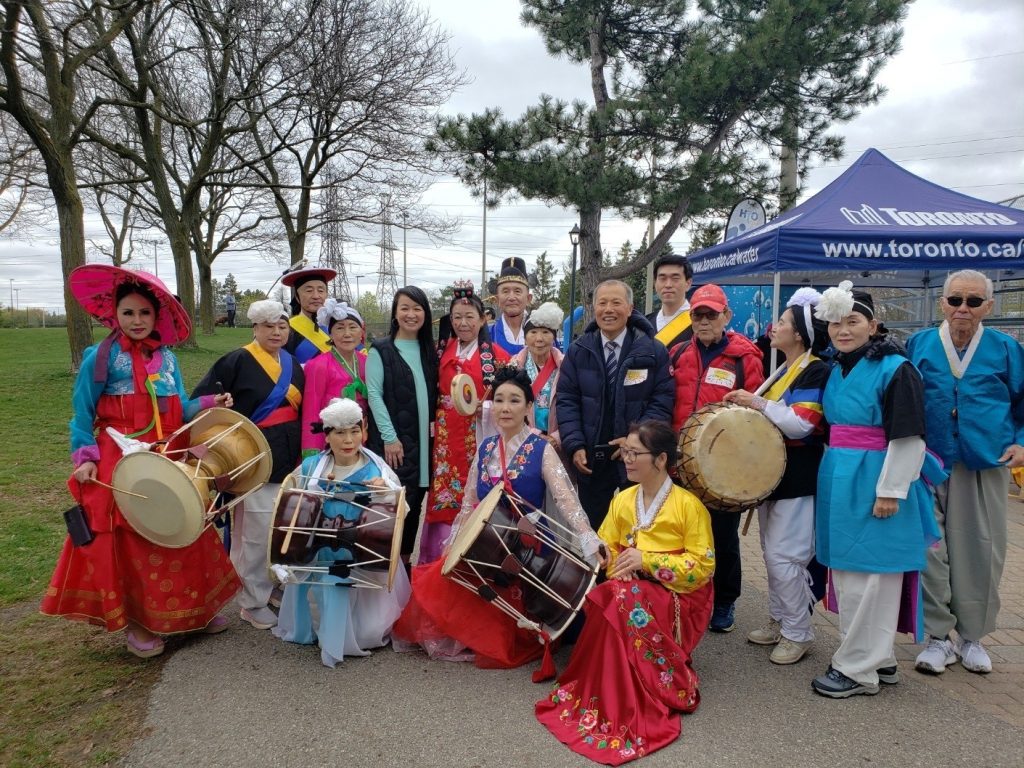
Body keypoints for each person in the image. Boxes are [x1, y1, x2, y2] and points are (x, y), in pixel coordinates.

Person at [41, 266, 238, 658]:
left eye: (144, 313)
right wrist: (85, 457)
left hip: (166, 454)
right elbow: (82, 413)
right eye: (128, 312)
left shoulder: (167, 360)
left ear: (156, 316)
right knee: (132, 539)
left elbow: (179, 409)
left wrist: (210, 402)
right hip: (120, 459)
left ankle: (193, 610)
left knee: (183, 525)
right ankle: (139, 624)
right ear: (115, 314)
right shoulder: (100, 358)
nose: (136, 320)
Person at [392, 367, 602, 668]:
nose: (505, 407)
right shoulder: (486, 447)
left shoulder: (541, 448)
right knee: (442, 574)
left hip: (530, 545)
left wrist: (587, 536)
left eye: (514, 400)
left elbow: (565, 498)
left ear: (528, 407)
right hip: (490, 543)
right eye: (499, 400)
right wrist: (455, 541)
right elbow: (469, 502)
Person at [535, 420, 714, 765]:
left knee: (617, 598)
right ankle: (612, 688)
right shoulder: (624, 499)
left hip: (676, 593)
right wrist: (616, 561)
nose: (627, 460)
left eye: (634, 453)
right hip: (632, 589)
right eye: (625, 452)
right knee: (616, 594)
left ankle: (630, 689)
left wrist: (647, 561)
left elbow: (703, 566)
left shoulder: (688, 506)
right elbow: (608, 545)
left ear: (661, 459)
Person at [810, 281, 943, 698]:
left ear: (873, 325)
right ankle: (878, 657)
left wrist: (892, 490)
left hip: (877, 479)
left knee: (873, 575)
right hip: (841, 476)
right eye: (836, 323)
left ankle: (857, 669)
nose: (842, 330)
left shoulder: (896, 369)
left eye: (852, 321)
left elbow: (909, 434)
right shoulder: (839, 367)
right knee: (850, 572)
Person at [907, 269, 1024, 675]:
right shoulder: (920, 343)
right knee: (929, 548)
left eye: (973, 301)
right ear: (942, 302)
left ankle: (972, 637)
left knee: (980, 549)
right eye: (955, 300)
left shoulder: (1005, 348)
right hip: (928, 461)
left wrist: (1022, 442)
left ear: (988, 306)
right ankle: (938, 637)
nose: (963, 308)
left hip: (984, 460)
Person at [723, 289, 829, 664]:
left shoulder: (815, 369)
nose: (774, 327)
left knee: (787, 556)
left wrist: (755, 402)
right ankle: (781, 620)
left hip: (799, 476)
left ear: (799, 333)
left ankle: (798, 632)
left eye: (782, 322)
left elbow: (802, 423)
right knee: (772, 555)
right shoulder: (785, 369)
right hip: (775, 477)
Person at [271, 398, 412, 667]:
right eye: (339, 433)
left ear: (364, 431)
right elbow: (288, 505)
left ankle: (345, 630)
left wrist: (384, 493)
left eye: (354, 431)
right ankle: (322, 626)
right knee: (317, 610)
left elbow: (400, 511)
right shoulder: (312, 468)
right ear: (327, 436)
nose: (348, 440)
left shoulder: (377, 468)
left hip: (361, 553)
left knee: (369, 632)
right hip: (318, 551)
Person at [192, 299, 304, 630]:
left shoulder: (293, 364)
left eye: (282, 326)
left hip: (290, 456)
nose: (276, 332)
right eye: (268, 326)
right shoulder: (236, 360)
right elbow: (205, 404)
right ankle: (251, 600)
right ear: (254, 328)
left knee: (284, 528)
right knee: (254, 533)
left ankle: (273, 585)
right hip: (252, 459)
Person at [669, 283, 765, 633]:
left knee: (722, 535)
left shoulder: (745, 356)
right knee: (682, 530)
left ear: (727, 315)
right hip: (681, 461)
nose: (704, 321)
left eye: (711, 314)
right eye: (698, 315)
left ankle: (724, 600)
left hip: (723, 466)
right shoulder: (678, 353)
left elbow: (756, 417)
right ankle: (687, 595)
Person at [557, 280, 675, 527]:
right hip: (591, 459)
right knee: (593, 531)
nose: (608, 309)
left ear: (630, 308)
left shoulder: (652, 351)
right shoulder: (579, 351)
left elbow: (662, 400)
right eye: (602, 303)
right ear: (594, 308)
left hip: (636, 457)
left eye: (616, 303)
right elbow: (567, 400)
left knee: (636, 528)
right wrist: (575, 444)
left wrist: (636, 440)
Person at [423, 282, 508, 563]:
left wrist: (485, 408)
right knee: (444, 490)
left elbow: (508, 399)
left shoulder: (498, 357)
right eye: (457, 317)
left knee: (477, 486)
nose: (463, 323)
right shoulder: (439, 352)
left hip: (479, 431)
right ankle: (438, 557)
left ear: (483, 319)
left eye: (470, 317)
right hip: (446, 435)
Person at [365, 286, 438, 560]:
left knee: (414, 506)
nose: (411, 314)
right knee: (392, 508)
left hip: (424, 446)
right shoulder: (381, 350)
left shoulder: (429, 351)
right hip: (396, 444)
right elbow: (374, 394)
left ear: (426, 314)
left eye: (417, 308)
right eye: (404, 308)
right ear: (395, 313)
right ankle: (384, 570)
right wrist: (389, 437)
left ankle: (404, 570)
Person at [300, 298, 367, 459]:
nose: (347, 334)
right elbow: (311, 410)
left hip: (362, 436)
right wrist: (311, 451)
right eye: (340, 328)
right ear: (330, 333)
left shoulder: (367, 362)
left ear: (361, 332)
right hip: (331, 441)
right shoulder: (318, 365)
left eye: (353, 327)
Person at [510, 301, 565, 443]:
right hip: (524, 440)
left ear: (554, 337)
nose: (539, 339)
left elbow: (573, 405)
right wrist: (533, 435)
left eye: (545, 332)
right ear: (525, 337)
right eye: (533, 332)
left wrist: (556, 438)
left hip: (559, 442)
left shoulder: (566, 366)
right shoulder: (513, 366)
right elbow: (508, 407)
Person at [282, 266, 337, 364]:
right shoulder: (286, 329)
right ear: (297, 297)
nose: (316, 296)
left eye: (321, 291)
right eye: (309, 291)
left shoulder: (337, 325)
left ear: (326, 294)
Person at [645, 254, 694, 349]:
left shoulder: (700, 322)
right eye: (662, 278)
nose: (668, 285)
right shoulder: (645, 324)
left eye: (675, 278)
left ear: (688, 283)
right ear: (655, 283)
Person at [491, 257, 532, 355]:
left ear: (528, 298)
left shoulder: (544, 333)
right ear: (497, 299)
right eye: (505, 291)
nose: (511, 297)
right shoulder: (487, 335)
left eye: (517, 291)